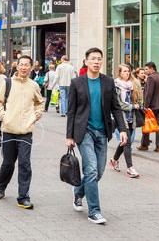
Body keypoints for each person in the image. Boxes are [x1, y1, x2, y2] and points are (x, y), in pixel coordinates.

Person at [66, 48, 127, 224]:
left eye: (99, 59)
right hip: (83, 131)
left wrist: (122, 129)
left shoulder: (108, 82)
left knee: (98, 172)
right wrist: (69, 136)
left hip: (102, 132)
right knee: (91, 170)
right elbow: (71, 111)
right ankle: (94, 211)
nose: (96, 62)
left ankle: (78, 192)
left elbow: (116, 108)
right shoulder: (77, 83)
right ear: (86, 61)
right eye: (93, 59)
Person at [0, 55, 44, 209]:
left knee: (24, 164)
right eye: (21, 64)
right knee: (8, 163)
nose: (23, 67)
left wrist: (36, 115)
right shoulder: (7, 83)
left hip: (26, 131)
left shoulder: (33, 85)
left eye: (26, 65)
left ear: (30, 67)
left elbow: (40, 103)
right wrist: (4, 116)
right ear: (17, 66)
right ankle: (1, 185)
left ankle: (23, 197)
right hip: (8, 129)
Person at [108, 64, 141, 178]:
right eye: (125, 71)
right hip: (121, 118)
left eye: (128, 71)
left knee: (125, 142)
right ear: (119, 73)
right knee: (127, 143)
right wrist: (132, 107)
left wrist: (139, 104)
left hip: (132, 117)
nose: (127, 73)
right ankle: (130, 169)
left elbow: (138, 99)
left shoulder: (132, 85)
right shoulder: (116, 85)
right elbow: (118, 105)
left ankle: (114, 159)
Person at [138, 62, 159, 152]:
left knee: (146, 123)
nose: (145, 71)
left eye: (146, 69)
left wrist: (146, 106)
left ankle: (144, 145)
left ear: (152, 69)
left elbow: (149, 93)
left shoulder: (151, 78)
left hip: (153, 105)